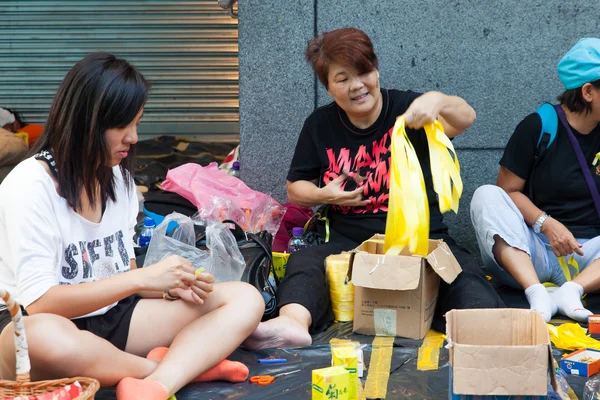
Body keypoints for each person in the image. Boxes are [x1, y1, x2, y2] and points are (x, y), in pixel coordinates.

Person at [0, 53, 264, 400]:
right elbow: (41, 304)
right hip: (32, 325)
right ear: (87, 123)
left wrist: (170, 287)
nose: (134, 138)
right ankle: (172, 370)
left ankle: (154, 386)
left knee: (244, 298)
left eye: (137, 123)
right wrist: (142, 279)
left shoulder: (118, 179)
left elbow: (122, 272)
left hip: (113, 320)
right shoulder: (30, 184)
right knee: (41, 336)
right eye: (123, 126)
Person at [243, 27, 504, 350]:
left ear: (376, 69)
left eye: (364, 72)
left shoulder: (408, 108)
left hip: (422, 239)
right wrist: (326, 195)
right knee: (305, 263)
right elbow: (296, 188)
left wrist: (437, 101)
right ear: (328, 87)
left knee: (463, 272)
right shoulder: (320, 125)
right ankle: (292, 324)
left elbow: (465, 118)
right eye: (342, 79)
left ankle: (477, 331)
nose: (357, 86)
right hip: (350, 243)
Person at [471, 38, 600, 323]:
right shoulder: (540, 126)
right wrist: (547, 224)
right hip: (534, 252)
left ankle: (571, 291)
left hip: (591, 257)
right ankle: (537, 294)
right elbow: (507, 191)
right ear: (588, 92)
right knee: (486, 195)